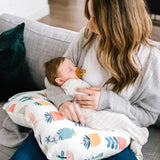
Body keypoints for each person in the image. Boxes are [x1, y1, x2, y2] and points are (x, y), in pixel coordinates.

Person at [10, 0, 160, 160]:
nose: (89, 25)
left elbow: (149, 115)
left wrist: (108, 100)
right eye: (89, 17)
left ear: (118, 22)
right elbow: (54, 76)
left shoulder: (150, 59)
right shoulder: (87, 37)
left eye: (96, 19)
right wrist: (62, 102)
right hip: (70, 122)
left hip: (112, 132)